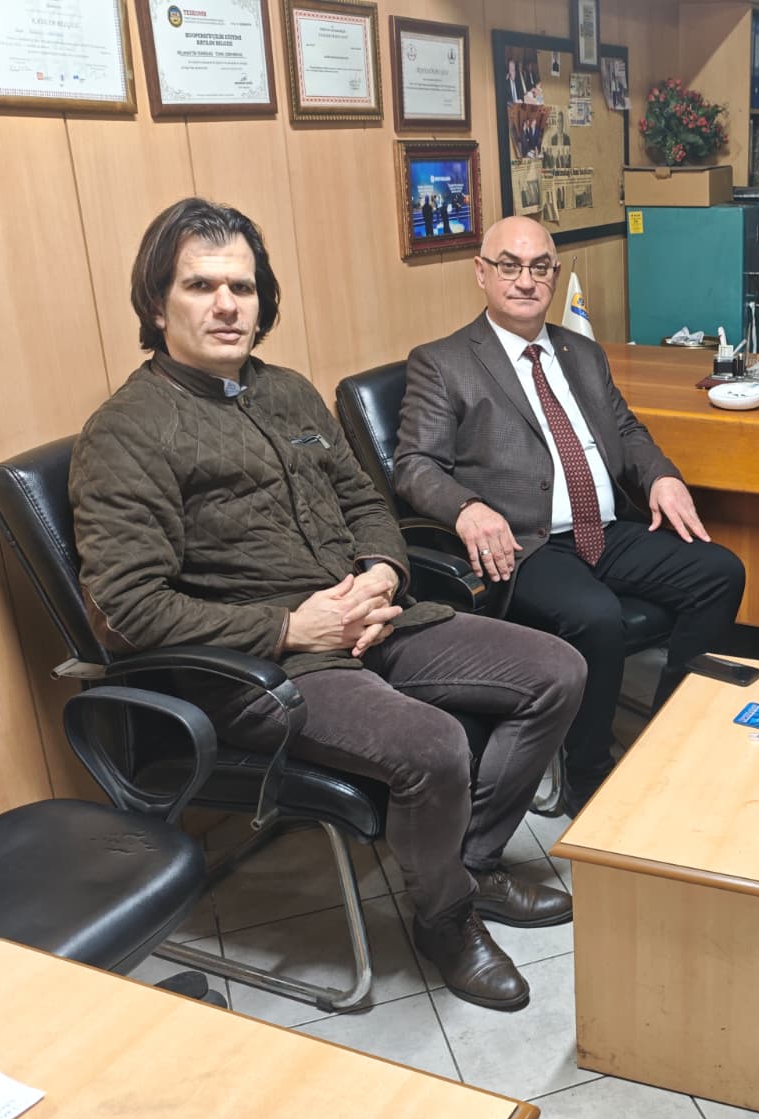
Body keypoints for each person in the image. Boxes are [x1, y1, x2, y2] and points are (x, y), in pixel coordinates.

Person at [70, 198, 586, 1012]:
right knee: (434, 745)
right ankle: (446, 921)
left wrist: (381, 573)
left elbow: (365, 502)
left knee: (556, 670)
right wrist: (288, 627)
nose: (226, 305)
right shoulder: (127, 433)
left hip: (370, 620)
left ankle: (471, 867)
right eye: (201, 286)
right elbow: (127, 610)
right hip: (264, 671)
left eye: (242, 286)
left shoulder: (288, 393)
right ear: (156, 304)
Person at [396, 216, 746, 813]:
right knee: (595, 616)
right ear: (481, 272)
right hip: (527, 544)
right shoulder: (442, 362)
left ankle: (671, 732)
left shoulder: (580, 351)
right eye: (509, 265)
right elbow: (414, 465)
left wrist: (661, 476)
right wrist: (466, 508)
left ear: (554, 275)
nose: (525, 280)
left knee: (719, 571)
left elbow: (627, 431)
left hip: (605, 530)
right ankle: (589, 777)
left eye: (539, 267)